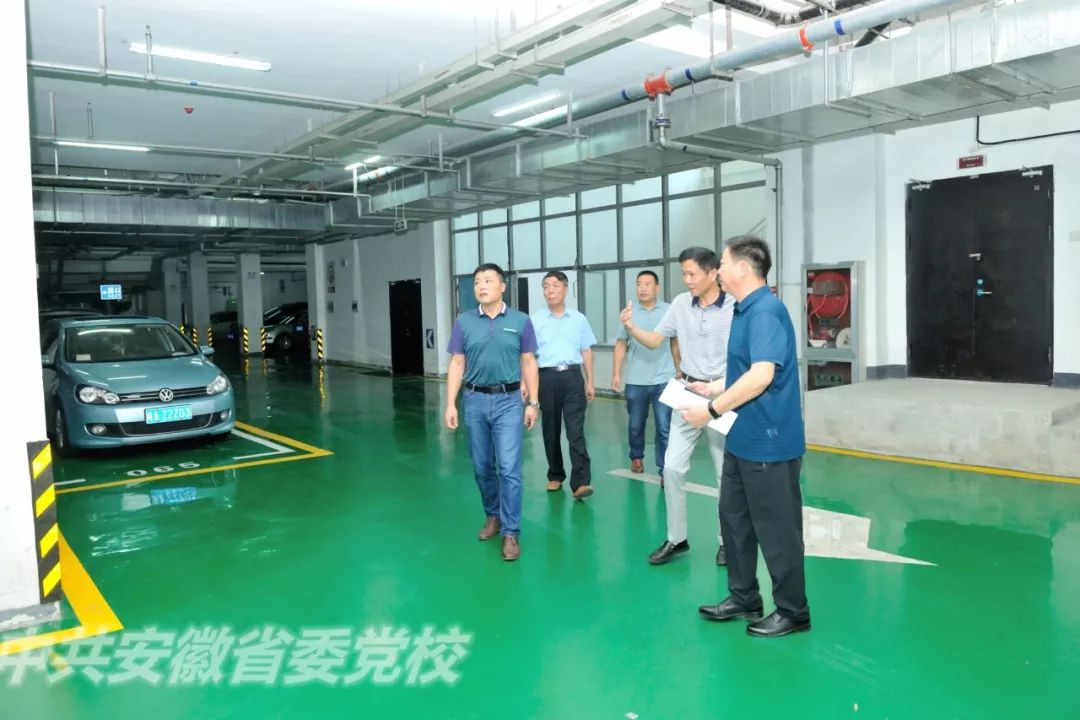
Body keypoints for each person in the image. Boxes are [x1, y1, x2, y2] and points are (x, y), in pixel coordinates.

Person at [680, 235, 810, 638]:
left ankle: (793, 610)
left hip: (770, 442)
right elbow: (745, 371)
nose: (717, 269)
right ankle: (744, 597)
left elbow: (762, 376)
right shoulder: (743, 309)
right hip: (742, 439)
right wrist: (713, 388)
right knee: (734, 520)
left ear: (742, 267)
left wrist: (711, 410)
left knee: (777, 529)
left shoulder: (766, 311)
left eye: (722, 263)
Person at [619, 247, 734, 566]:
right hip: (688, 392)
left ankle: (727, 540)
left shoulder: (734, 306)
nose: (687, 280)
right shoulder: (681, 304)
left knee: (725, 473)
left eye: (692, 274)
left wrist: (721, 388)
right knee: (671, 467)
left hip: (722, 394)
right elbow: (656, 340)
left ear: (713, 273)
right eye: (684, 274)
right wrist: (631, 327)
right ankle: (676, 538)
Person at [445, 263, 540, 562]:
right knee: (482, 466)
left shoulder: (520, 321)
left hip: (509, 401)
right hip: (474, 400)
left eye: (487, 280)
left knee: (509, 468)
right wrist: (450, 403)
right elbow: (457, 363)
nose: (481, 286)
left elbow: (529, 362)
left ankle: (511, 532)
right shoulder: (464, 322)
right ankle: (493, 515)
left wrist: (533, 402)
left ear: (502, 286)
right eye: (477, 282)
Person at [531, 271, 597, 500]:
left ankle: (581, 482)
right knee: (550, 430)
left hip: (572, 377)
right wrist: (525, 383)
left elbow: (586, 351)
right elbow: (528, 356)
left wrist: (590, 381)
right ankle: (555, 475)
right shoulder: (535, 320)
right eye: (546, 286)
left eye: (555, 286)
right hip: (546, 378)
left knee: (575, 431)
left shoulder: (579, 319)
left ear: (566, 290)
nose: (550, 291)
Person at [612, 270, 680, 478]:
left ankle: (664, 468)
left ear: (657, 287)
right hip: (636, 380)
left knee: (664, 427)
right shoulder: (629, 313)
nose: (642, 288)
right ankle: (636, 457)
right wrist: (616, 373)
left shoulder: (668, 310)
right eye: (639, 284)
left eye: (647, 284)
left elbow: (674, 342)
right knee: (635, 425)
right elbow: (621, 344)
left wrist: (679, 369)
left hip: (664, 379)